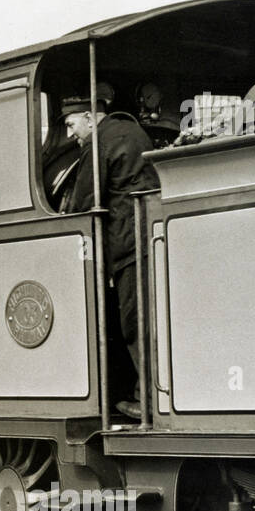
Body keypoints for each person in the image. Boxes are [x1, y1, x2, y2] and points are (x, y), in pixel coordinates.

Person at [60, 85, 160, 418]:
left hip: (128, 242)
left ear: (90, 117)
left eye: (72, 124)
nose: (71, 134)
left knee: (133, 322)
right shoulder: (132, 129)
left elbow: (85, 203)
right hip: (150, 234)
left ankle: (147, 400)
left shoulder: (98, 142)